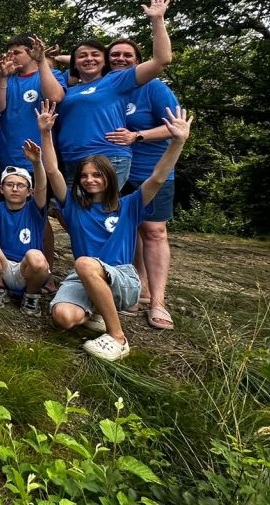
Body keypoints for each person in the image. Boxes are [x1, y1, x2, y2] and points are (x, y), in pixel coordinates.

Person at [39, 100, 192, 361]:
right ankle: (97, 309)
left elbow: (157, 177)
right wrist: (45, 132)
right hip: (83, 277)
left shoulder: (129, 204)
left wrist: (177, 142)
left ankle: (118, 338)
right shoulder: (74, 206)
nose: (89, 180)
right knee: (63, 318)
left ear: (109, 178)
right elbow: (52, 170)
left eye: (97, 175)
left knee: (85, 263)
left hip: (122, 278)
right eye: (85, 175)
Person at [47, 0, 172, 189]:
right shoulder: (68, 89)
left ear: (104, 61)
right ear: (74, 64)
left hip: (107, 157)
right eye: (82, 56)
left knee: (98, 216)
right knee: (75, 217)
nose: (89, 59)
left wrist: (157, 20)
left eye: (95, 54)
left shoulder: (115, 80)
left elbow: (161, 61)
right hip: (72, 160)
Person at [105, 37, 181, 330]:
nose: (120, 59)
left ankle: (158, 302)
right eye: (115, 55)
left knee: (154, 231)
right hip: (117, 170)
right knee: (130, 228)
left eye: (127, 55)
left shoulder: (153, 88)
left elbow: (176, 127)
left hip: (154, 170)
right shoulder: (111, 87)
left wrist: (137, 136)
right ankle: (138, 288)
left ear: (138, 60)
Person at [0, 34, 66, 281]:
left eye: (17, 52)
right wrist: (2, 76)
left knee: (40, 218)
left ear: (31, 52)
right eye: (9, 52)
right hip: (7, 157)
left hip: (38, 161)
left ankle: (46, 272)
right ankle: (6, 267)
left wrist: (43, 61)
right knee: (6, 212)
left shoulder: (44, 76)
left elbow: (55, 97)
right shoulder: (8, 80)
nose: (11, 57)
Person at [0, 145, 51, 316]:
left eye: (20, 185)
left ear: (29, 191)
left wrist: (37, 163)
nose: (15, 189)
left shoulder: (34, 210)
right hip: (3, 267)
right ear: (1, 189)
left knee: (35, 256)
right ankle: (0, 289)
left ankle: (31, 295)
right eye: (9, 184)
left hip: (29, 270)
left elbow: (42, 188)